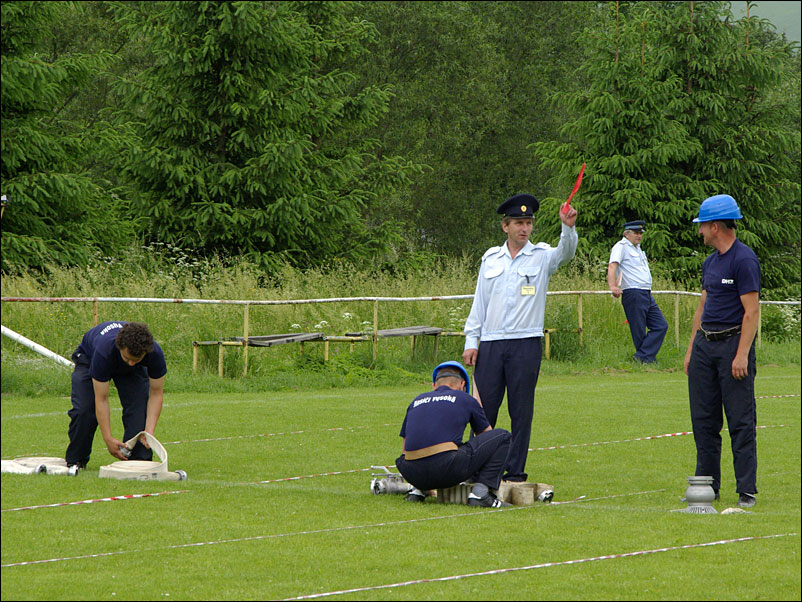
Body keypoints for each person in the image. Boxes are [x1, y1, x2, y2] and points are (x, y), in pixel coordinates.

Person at [462, 194, 578, 482]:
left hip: (525, 343)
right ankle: (477, 468)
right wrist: (471, 341)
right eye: (518, 223)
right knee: (482, 410)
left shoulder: (542, 256)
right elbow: (480, 302)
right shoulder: (491, 258)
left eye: (528, 223)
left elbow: (565, 253)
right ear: (506, 226)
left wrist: (568, 228)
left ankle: (514, 472)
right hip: (491, 343)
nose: (525, 228)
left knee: (521, 411)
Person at [684, 194, 760, 509]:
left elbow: (751, 312)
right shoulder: (710, 262)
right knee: (704, 421)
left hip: (732, 345)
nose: (700, 231)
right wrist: (692, 349)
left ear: (715, 226)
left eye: (702, 225)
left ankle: (746, 491)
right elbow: (702, 306)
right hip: (705, 346)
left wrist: (742, 354)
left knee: (740, 420)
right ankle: (707, 488)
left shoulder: (744, 260)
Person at [395, 361, 512, 508]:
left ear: (434, 385)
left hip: (410, 473)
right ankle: (481, 494)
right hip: (446, 469)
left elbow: (405, 448)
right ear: (462, 385)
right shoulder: (465, 398)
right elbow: (488, 437)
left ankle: (418, 491)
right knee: (502, 437)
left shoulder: (416, 401)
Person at [65, 321, 167, 469]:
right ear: (120, 348)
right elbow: (101, 399)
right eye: (127, 358)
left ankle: (138, 462)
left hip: (129, 367)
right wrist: (108, 439)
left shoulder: (154, 353)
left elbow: (156, 394)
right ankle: (76, 461)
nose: (131, 363)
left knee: (138, 410)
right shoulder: (104, 351)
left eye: (136, 359)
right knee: (84, 410)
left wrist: (149, 432)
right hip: (89, 359)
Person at [607, 220, 668, 363]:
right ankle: (645, 359)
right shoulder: (621, 247)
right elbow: (612, 266)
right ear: (626, 234)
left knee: (660, 325)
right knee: (639, 329)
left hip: (646, 292)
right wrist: (612, 286)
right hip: (633, 291)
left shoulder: (638, 249)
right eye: (636, 233)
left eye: (641, 233)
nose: (639, 235)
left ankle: (642, 356)